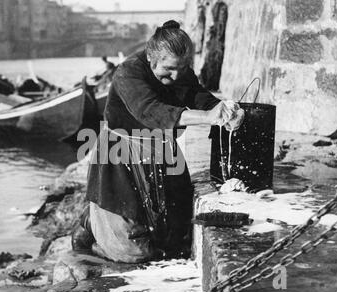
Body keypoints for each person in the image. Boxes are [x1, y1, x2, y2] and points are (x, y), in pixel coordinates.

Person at [72, 20, 242, 263]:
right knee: (134, 253)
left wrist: (221, 109)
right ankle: (91, 222)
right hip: (121, 154)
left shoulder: (179, 71)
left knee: (175, 237)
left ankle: (110, 222)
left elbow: (196, 94)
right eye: (169, 69)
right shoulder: (128, 73)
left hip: (161, 149)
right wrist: (207, 118)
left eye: (182, 69)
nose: (176, 76)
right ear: (152, 57)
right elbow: (151, 111)